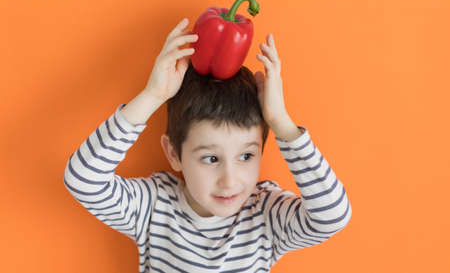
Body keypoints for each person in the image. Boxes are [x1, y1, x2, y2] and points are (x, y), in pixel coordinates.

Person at [64, 17, 352, 272]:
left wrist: (281, 122)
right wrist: (153, 96)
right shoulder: (153, 207)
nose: (230, 181)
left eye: (246, 155)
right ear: (174, 153)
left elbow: (333, 216)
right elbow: (83, 180)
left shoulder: (266, 215)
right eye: (211, 159)